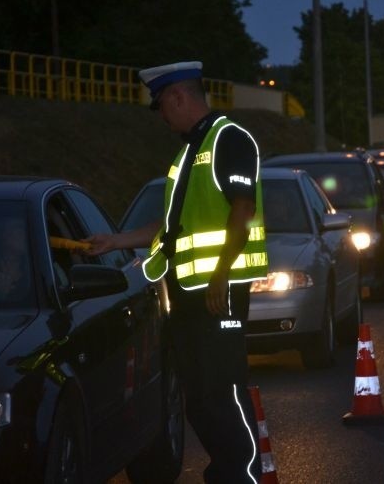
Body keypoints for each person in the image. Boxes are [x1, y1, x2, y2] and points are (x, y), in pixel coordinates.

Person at [84, 61, 267, 483]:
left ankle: (241, 477)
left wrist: (222, 273)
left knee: (222, 394)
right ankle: (226, 474)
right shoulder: (189, 151)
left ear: (179, 96)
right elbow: (172, 227)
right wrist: (116, 241)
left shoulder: (229, 139)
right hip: (189, 294)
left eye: (162, 105)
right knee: (200, 400)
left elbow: (243, 210)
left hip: (217, 293)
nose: (161, 115)